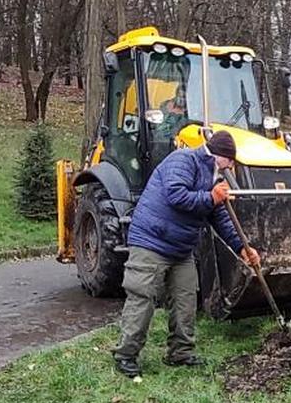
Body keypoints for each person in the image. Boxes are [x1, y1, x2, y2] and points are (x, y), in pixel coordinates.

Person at [112, 131, 261, 377]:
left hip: (181, 249)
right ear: (220, 155)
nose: (231, 166)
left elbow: (220, 217)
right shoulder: (183, 160)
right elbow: (176, 196)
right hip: (152, 241)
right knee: (143, 296)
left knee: (186, 298)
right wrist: (211, 197)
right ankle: (126, 355)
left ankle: (180, 353)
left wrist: (241, 248)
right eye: (230, 161)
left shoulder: (214, 176)